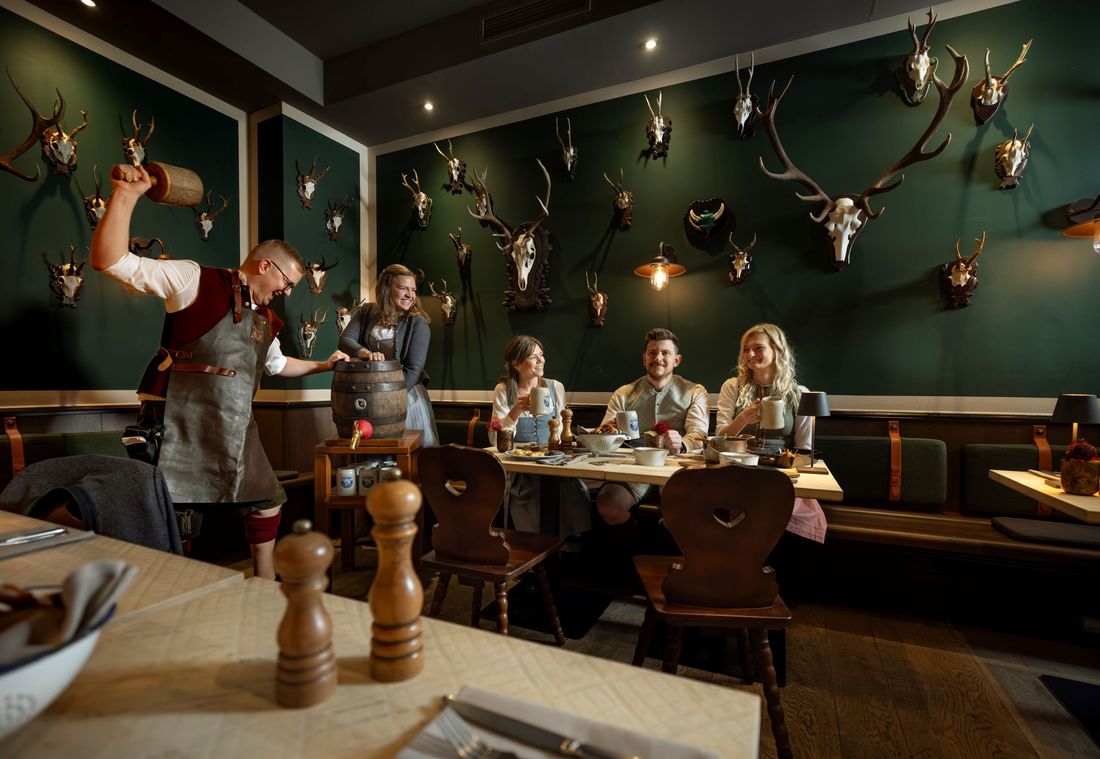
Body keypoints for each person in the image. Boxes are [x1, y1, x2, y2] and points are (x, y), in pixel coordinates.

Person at [90, 163, 349, 580]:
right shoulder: (194, 279)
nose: (286, 293)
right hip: (178, 421)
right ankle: (176, 587)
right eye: (287, 283)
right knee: (179, 513)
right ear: (265, 265)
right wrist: (127, 195)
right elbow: (111, 260)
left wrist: (324, 363)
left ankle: (264, 585)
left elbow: (277, 364)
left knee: (268, 498)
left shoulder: (265, 319)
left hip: (236, 426)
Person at [596, 328, 708, 560]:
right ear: (644, 358)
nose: (658, 358)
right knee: (607, 504)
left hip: (675, 470)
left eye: (665, 353)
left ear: (676, 360)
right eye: (652, 352)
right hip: (632, 468)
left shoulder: (695, 391)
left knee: (681, 512)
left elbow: (699, 435)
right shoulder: (624, 393)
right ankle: (636, 561)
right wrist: (610, 433)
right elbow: (604, 433)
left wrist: (682, 443)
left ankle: (667, 568)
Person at [716, 323, 827, 543]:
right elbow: (719, 438)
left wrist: (784, 467)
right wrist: (742, 419)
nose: (750, 354)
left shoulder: (798, 394)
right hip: (737, 468)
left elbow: (804, 449)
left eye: (758, 348)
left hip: (780, 473)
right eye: (746, 349)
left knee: (775, 507)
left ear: (777, 350)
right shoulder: (733, 387)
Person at [490, 335, 590, 537]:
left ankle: (563, 553)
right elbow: (496, 441)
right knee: (531, 499)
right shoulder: (504, 390)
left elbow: (563, 429)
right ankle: (536, 554)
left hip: (554, 463)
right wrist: (515, 411)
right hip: (520, 469)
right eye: (533, 357)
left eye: (541, 355)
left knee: (572, 493)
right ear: (516, 364)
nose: (541, 360)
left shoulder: (555, 387)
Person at [338, 264, 439, 447]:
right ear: (387, 288)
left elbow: (413, 370)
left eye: (413, 290)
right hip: (366, 396)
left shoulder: (417, 323)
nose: (410, 295)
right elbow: (345, 340)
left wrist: (389, 399)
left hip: (405, 397)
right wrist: (365, 353)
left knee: (409, 455)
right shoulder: (366, 312)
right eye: (403, 288)